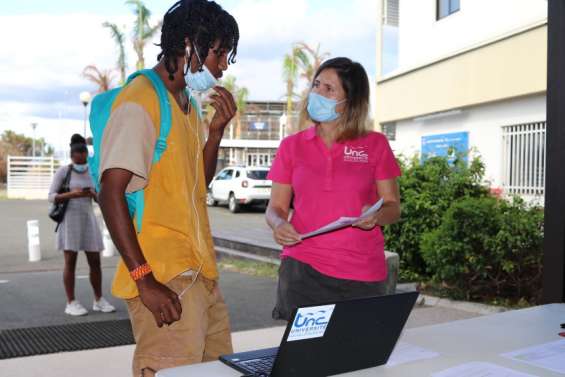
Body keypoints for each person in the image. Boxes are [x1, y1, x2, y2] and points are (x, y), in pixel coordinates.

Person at [97, 0, 238, 375]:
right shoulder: (141, 100)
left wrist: (216, 134)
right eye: (219, 53)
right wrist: (145, 280)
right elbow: (110, 192)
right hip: (163, 274)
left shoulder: (186, 104)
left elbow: (197, 187)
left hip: (200, 272)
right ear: (190, 45)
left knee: (219, 370)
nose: (223, 65)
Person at [266, 57, 402, 321]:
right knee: (304, 359)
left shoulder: (375, 144)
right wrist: (278, 225)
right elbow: (276, 208)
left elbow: (393, 207)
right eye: (316, 85)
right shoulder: (291, 146)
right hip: (303, 270)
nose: (317, 93)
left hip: (362, 273)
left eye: (329, 89)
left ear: (350, 100)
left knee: (360, 357)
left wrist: (376, 216)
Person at [48, 134, 116, 316]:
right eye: (78, 159)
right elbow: (51, 196)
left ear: (87, 155)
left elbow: (102, 198)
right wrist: (72, 194)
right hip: (70, 220)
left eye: (84, 158)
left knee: (95, 261)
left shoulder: (92, 171)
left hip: (88, 218)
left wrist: (94, 194)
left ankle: (99, 300)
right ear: (72, 157)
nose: (82, 161)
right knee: (70, 262)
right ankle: (71, 302)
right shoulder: (64, 172)